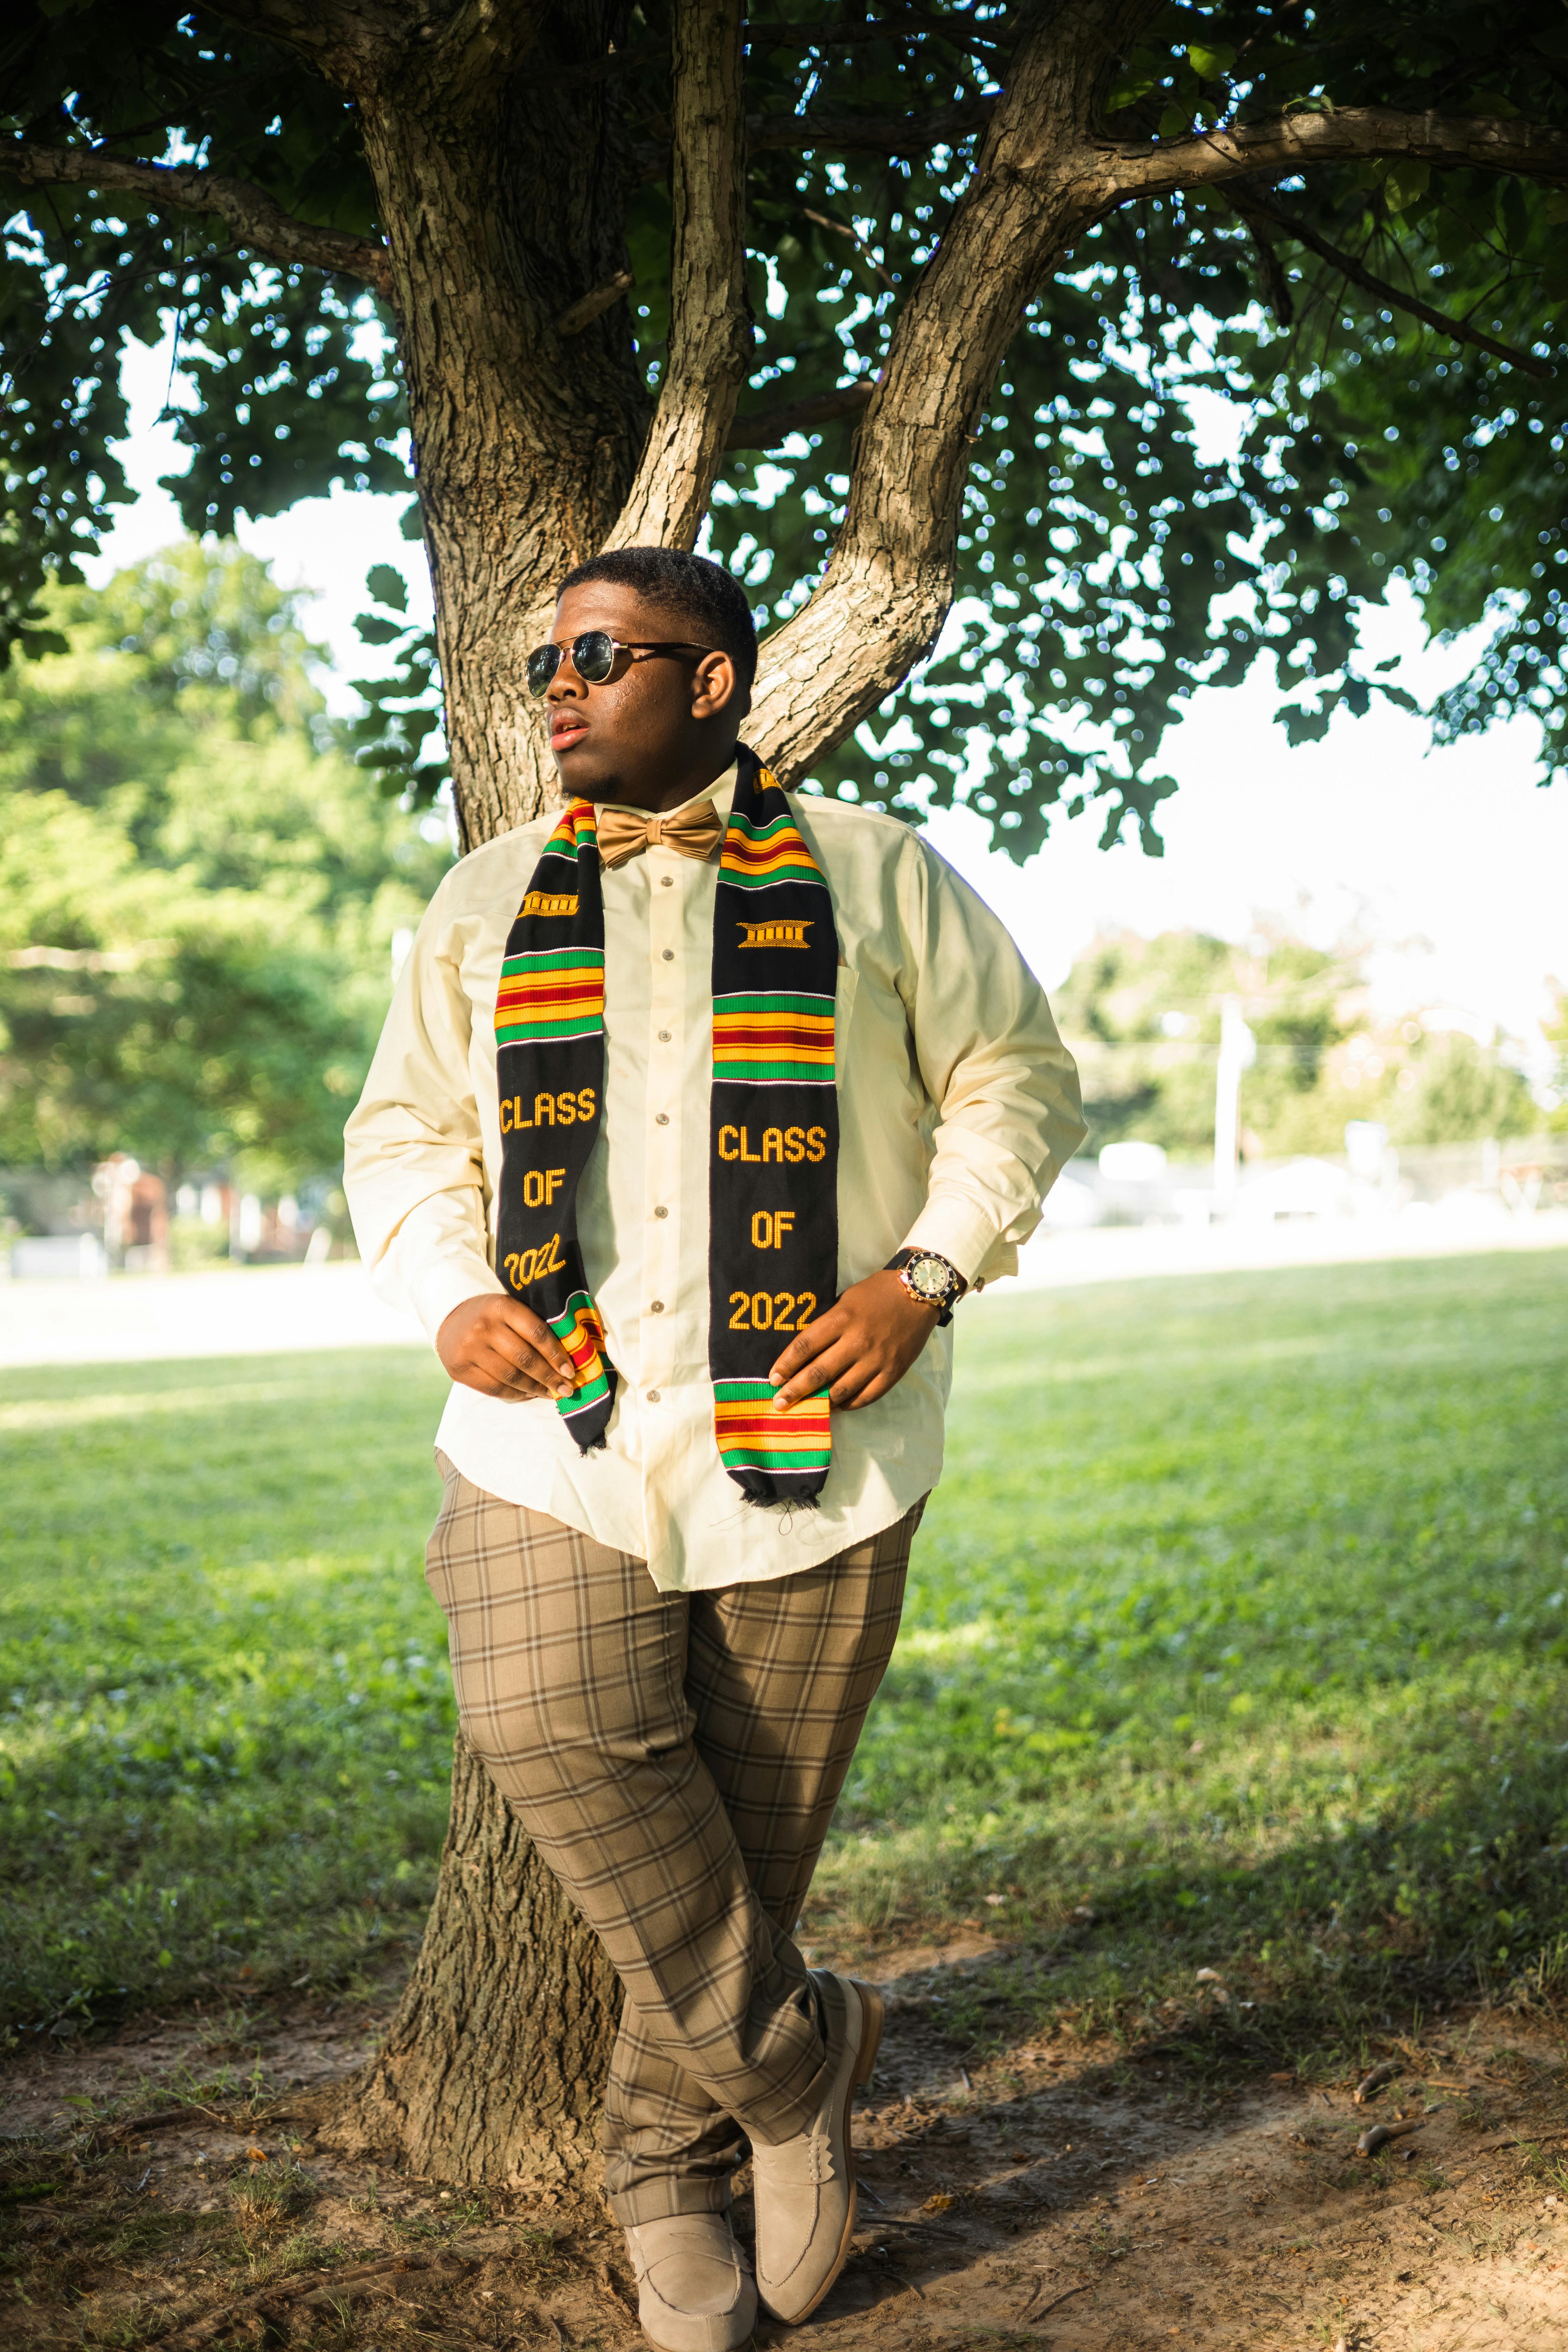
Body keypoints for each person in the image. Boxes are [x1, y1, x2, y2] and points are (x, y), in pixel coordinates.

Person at [344, 547, 1084, 2352]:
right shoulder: (485, 898)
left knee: (752, 1845)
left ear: (721, 680)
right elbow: (406, 1130)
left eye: (602, 656)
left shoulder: (882, 878)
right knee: (546, 1728)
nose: (561, 688)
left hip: (825, 1437)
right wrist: (450, 1294)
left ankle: (662, 2178)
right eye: (549, 661)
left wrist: (927, 1274)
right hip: (554, 1429)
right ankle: (798, 2059)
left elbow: (1021, 1080)